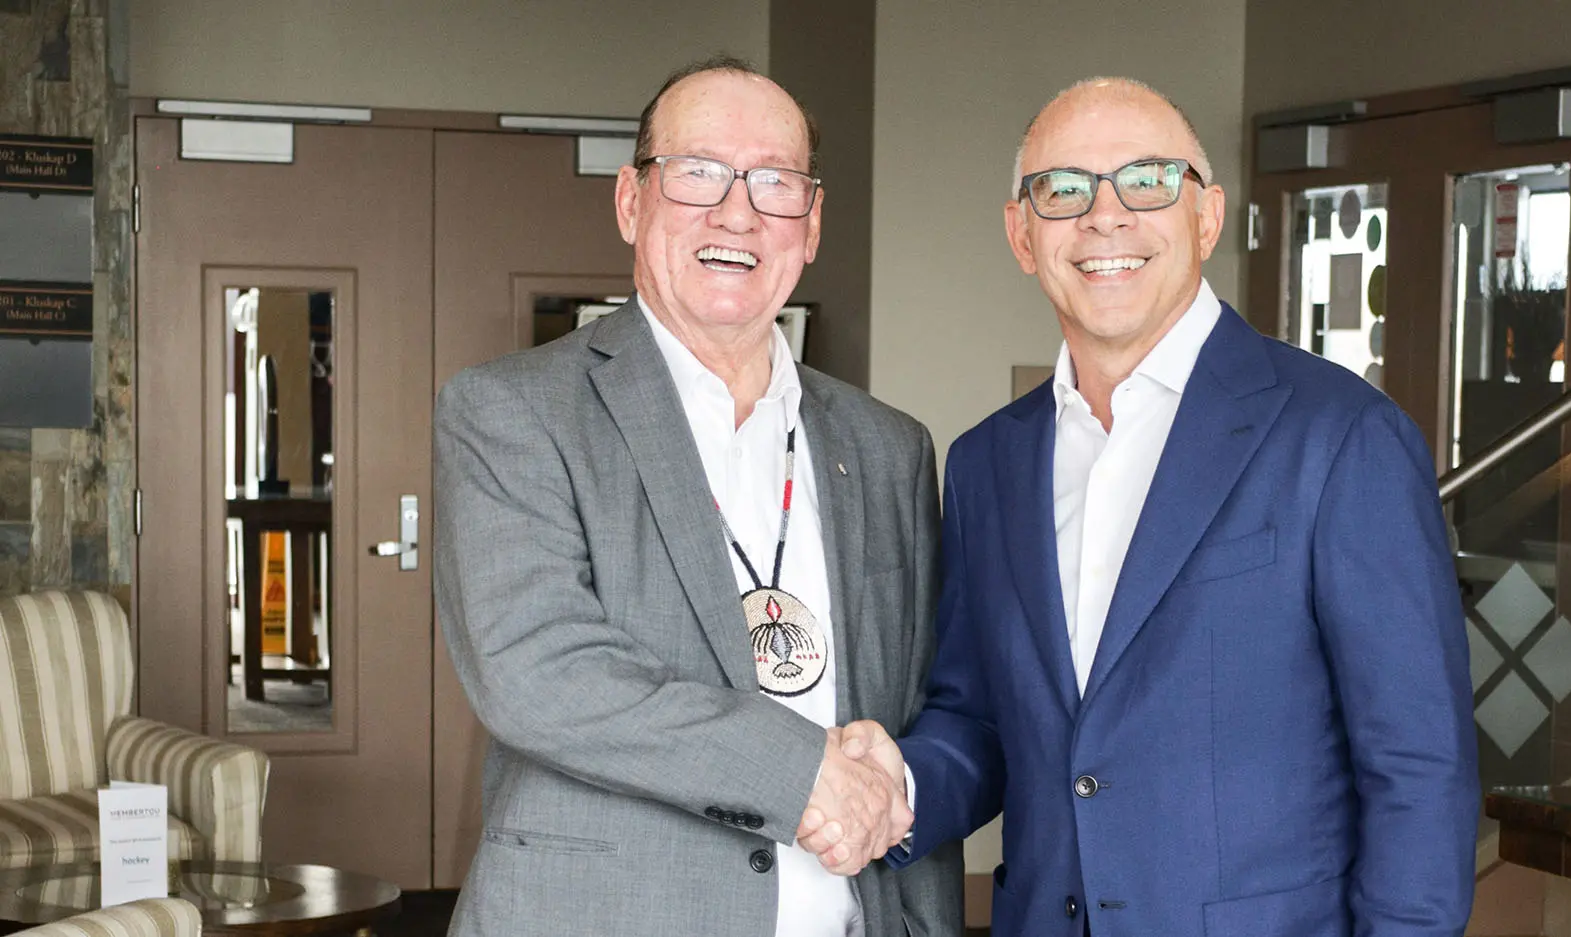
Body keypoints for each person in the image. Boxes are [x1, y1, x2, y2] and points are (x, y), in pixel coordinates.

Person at [812, 78, 1478, 936]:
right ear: (1022, 232)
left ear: (1208, 216)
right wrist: (897, 785)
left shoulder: (1342, 437)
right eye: (1065, 190)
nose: (1106, 216)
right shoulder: (989, 462)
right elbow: (982, 716)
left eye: (1149, 180)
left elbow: (1419, 767)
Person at [433, 56, 961, 937]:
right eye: (699, 173)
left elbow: (920, 704)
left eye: (774, 182)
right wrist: (801, 773)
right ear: (631, 202)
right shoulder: (512, 411)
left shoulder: (889, 448)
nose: (737, 211)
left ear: (813, 221)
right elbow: (537, 672)